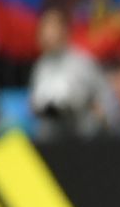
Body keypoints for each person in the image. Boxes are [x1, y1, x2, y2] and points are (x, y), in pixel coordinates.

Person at [28, 9, 111, 140]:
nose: (46, 34)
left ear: (64, 31)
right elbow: (34, 104)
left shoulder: (83, 63)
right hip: (50, 140)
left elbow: (106, 106)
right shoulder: (40, 66)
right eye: (43, 29)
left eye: (51, 28)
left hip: (81, 139)